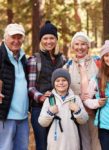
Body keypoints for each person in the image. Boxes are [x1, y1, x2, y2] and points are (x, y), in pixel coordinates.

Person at [28, 21, 66, 150]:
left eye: (51, 38)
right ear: (41, 40)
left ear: (56, 40)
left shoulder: (63, 59)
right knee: (42, 145)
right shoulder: (35, 59)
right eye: (45, 38)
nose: (48, 41)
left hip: (60, 108)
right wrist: (40, 97)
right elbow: (31, 87)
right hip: (39, 109)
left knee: (58, 145)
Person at [63, 32, 101, 150]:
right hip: (77, 111)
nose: (80, 47)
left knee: (97, 143)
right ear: (73, 47)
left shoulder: (98, 62)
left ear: (88, 47)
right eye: (77, 44)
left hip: (97, 110)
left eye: (83, 44)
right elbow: (63, 88)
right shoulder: (67, 66)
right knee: (83, 143)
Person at [38, 68, 89, 150]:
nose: (61, 83)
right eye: (57, 80)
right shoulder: (50, 100)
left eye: (64, 80)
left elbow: (84, 120)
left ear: (68, 82)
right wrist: (50, 112)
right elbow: (42, 122)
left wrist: (78, 111)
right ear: (53, 83)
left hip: (72, 143)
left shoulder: (75, 99)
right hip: (55, 144)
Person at [0, 23, 29, 150]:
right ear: (5, 38)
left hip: (23, 117)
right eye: (13, 37)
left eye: (19, 37)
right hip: (5, 116)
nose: (16, 41)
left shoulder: (23, 57)